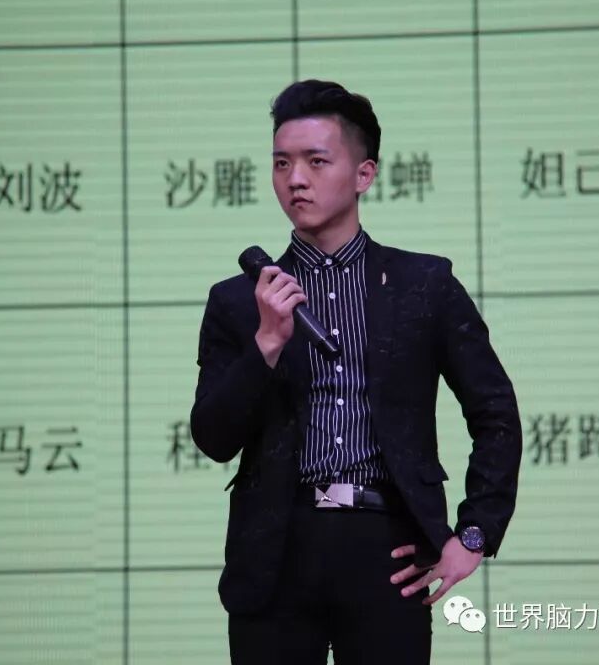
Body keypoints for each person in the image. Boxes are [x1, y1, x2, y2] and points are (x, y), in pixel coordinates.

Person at [190, 79, 523, 664]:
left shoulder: (424, 285)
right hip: (275, 550)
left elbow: (494, 411)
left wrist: (474, 534)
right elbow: (213, 438)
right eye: (282, 163)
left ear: (364, 174)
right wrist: (267, 342)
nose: (295, 179)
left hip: (387, 547)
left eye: (316, 161)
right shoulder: (238, 301)